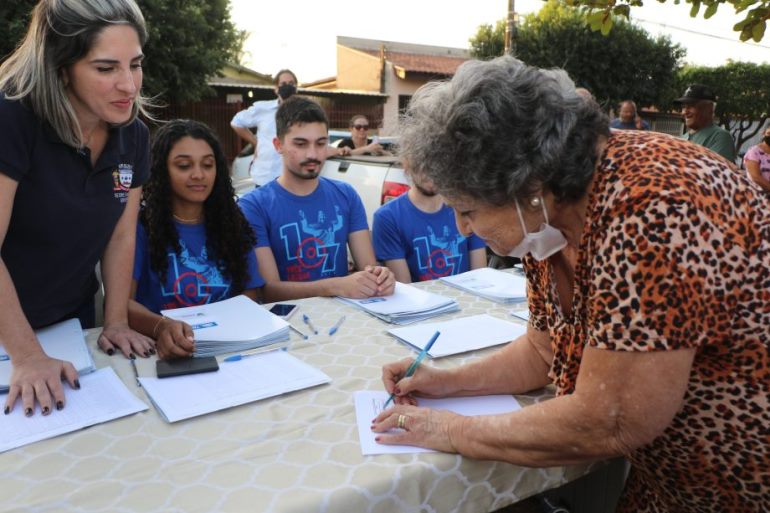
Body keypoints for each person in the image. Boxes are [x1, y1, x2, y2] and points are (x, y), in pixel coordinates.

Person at [371, 56, 770, 513]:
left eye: (469, 209)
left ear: (529, 185)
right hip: (672, 484)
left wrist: (449, 429)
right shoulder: (547, 219)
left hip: (745, 484)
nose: (462, 229)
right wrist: (446, 383)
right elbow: (544, 351)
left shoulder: (654, 205)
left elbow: (612, 420)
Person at [0, 0, 155, 417]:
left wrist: (117, 320)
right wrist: (28, 356)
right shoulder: (11, 117)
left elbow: (121, 235)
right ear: (61, 66)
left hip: (72, 320)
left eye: (135, 64)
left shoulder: (134, 135)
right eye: (106, 69)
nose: (129, 85)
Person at [128, 120, 264, 359]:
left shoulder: (233, 222)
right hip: (162, 353)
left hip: (228, 349)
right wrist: (161, 327)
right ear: (161, 170)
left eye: (208, 165)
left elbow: (250, 294)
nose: (199, 175)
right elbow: (122, 305)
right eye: (183, 165)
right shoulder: (140, 227)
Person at [239, 97, 395, 302]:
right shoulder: (253, 206)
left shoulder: (346, 195)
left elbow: (369, 265)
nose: (313, 154)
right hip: (288, 324)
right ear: (278, 145)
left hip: (346, 318)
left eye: (320, 143)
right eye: (301, 144)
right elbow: (269, 291)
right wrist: (336, 285)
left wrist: (381, 277)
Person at [372, 167, 487, 282]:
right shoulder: (388, 216)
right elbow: (405, 286)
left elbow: (479, 276)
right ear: (407, 164)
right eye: (421, 163)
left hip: (466, 297)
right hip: (419, 299)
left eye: (436, 162)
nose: (430, 169)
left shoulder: (466, 206)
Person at [230, 69, 299, 186]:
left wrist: (338, 150)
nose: (287, 87)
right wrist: (255, 142)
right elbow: (236, 122)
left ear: (296, 87)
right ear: (276, 89)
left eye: (291, 83)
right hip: (265, 178)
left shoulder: (304, 112)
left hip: (292, 181)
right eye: (283, 84)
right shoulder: (264, 109)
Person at [676, 84, 736, 162]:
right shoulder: (683, 138)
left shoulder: (720, 137)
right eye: (683, 107)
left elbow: (713, 171)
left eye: (691, 106)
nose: (685, 112)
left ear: (709, 108)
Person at [743, 125, 770, 192]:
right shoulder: (754, 152)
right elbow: (755, 177)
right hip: (759, 195)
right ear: (763, 134)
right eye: (769, 133)